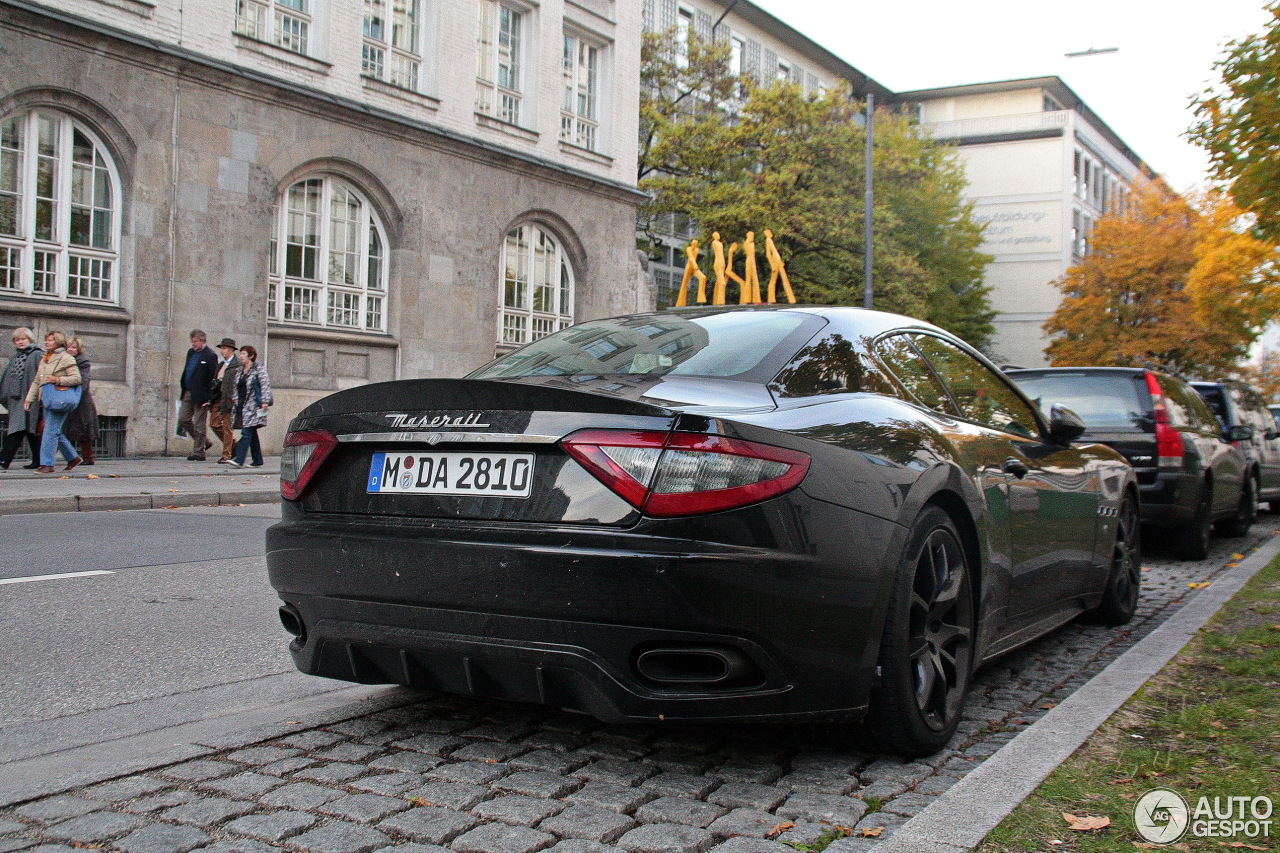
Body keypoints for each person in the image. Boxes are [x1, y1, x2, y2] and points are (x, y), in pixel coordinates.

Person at [24, 330, 83, 473]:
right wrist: (29, 398)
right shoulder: (45, 358)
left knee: (49, 432)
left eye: (50, 340)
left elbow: (77, 378)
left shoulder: (66, 358)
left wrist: (57, 379)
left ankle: (48, 464)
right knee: (53, 431)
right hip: (47, 399)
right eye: (47, 340)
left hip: (59, 400)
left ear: (58, 341)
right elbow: (37, 380)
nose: (47, 342)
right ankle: (73, 458)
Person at [0, 327, 42, 470]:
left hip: (30, 399)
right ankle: (39, 460)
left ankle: (3, 459)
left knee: (17, 429)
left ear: (30, 339)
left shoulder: (36, 355)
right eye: (17, 340)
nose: (20, 342)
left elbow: (40, 376)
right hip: (16, 400)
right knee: (30, 431)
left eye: (23, 339)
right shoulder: (16, 356)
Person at [178, 329, 219, 461]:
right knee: (183, 419)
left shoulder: (210, 355)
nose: (193, 344)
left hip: (201, 395)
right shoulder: (191, 353)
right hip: (188, 391)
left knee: (199, 423)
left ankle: (199, 452)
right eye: (192, 341)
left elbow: (212, 378)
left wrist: (208, 397)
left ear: (202, 341)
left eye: (195, 341)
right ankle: (205, 442)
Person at [229, 345, 272, 468]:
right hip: (241, 405)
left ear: (251, 356)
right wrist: (235, 398)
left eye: (243, 354)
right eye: (241, 354)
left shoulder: (258, 369)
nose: (241, 356)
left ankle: (239, 459)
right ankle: (257, 459)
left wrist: (265, 401)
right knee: (251, 433)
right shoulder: (240, 370)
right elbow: (236, 386)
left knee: (246, 431)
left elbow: (265, 385)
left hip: (254, 406)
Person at [62, 337, 100, 465]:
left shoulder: (82, 362)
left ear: (79, 349)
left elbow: (83, 381)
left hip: (81, 400)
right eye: (68, 347)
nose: (70, 350)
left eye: (73, 347)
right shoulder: (63, 361)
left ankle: (88, 457)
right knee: (62, 429)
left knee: (85, 430)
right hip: (66, 398)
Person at [208, 337, 238, 464]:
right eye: (221, 348)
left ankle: (227, 454)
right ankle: (235, 445)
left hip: (229, 399)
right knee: (214, 424)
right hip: (218, 398)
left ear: (231, 349)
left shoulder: (237, 365)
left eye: (224, 348)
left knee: (227, 427)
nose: (222, 351)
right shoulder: (221, 364)